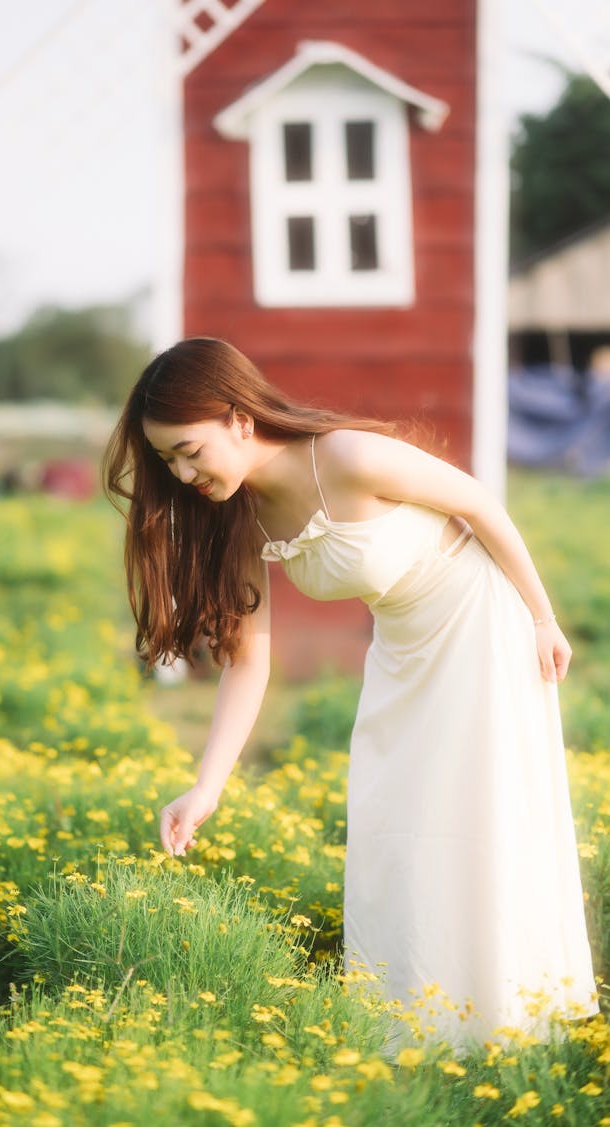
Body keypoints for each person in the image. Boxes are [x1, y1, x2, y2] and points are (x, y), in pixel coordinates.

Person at [103, 337, 597, 1047]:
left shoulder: (348, 457)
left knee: (479, 812)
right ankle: (414, 1025)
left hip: (479, 621)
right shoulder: (243, 515)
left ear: (240, 419)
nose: (182, 474)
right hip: (401, 647)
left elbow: (481, 505)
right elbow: (249, 661)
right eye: (167, 461)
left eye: (190, 450)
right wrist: (205, 787)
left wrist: (543, 617)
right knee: (392, 820)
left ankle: (511, 1025)